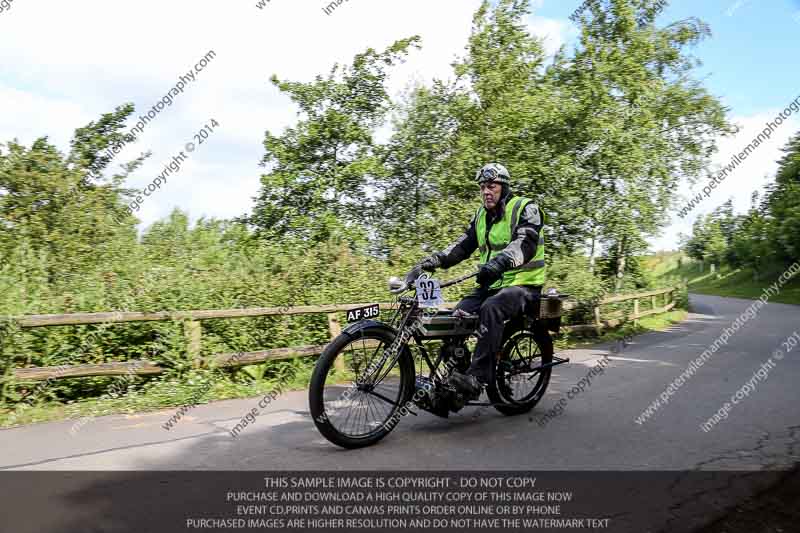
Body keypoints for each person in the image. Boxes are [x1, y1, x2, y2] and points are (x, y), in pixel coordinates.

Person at [418, 163, 546, 399]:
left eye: (492, 186)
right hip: (491, 286)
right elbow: (462, 246)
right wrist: (436, 260)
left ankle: (477, 378)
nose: (486, 191)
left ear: (504, 187)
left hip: (523, 286)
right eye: (482, 187)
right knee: (455, 318)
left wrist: (500, 262)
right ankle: (456, 379)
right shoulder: (481, 216)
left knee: (491, 308)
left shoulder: (525, 208)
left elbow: (525, 243)